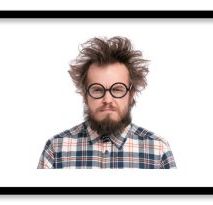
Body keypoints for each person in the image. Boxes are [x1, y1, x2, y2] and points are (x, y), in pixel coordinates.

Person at [37, 36, 176, 169]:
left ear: (131, 94)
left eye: (117, 89)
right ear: (85, 95)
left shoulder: (158, 150)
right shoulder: (56, 149)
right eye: (97, 90)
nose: (107, 100)